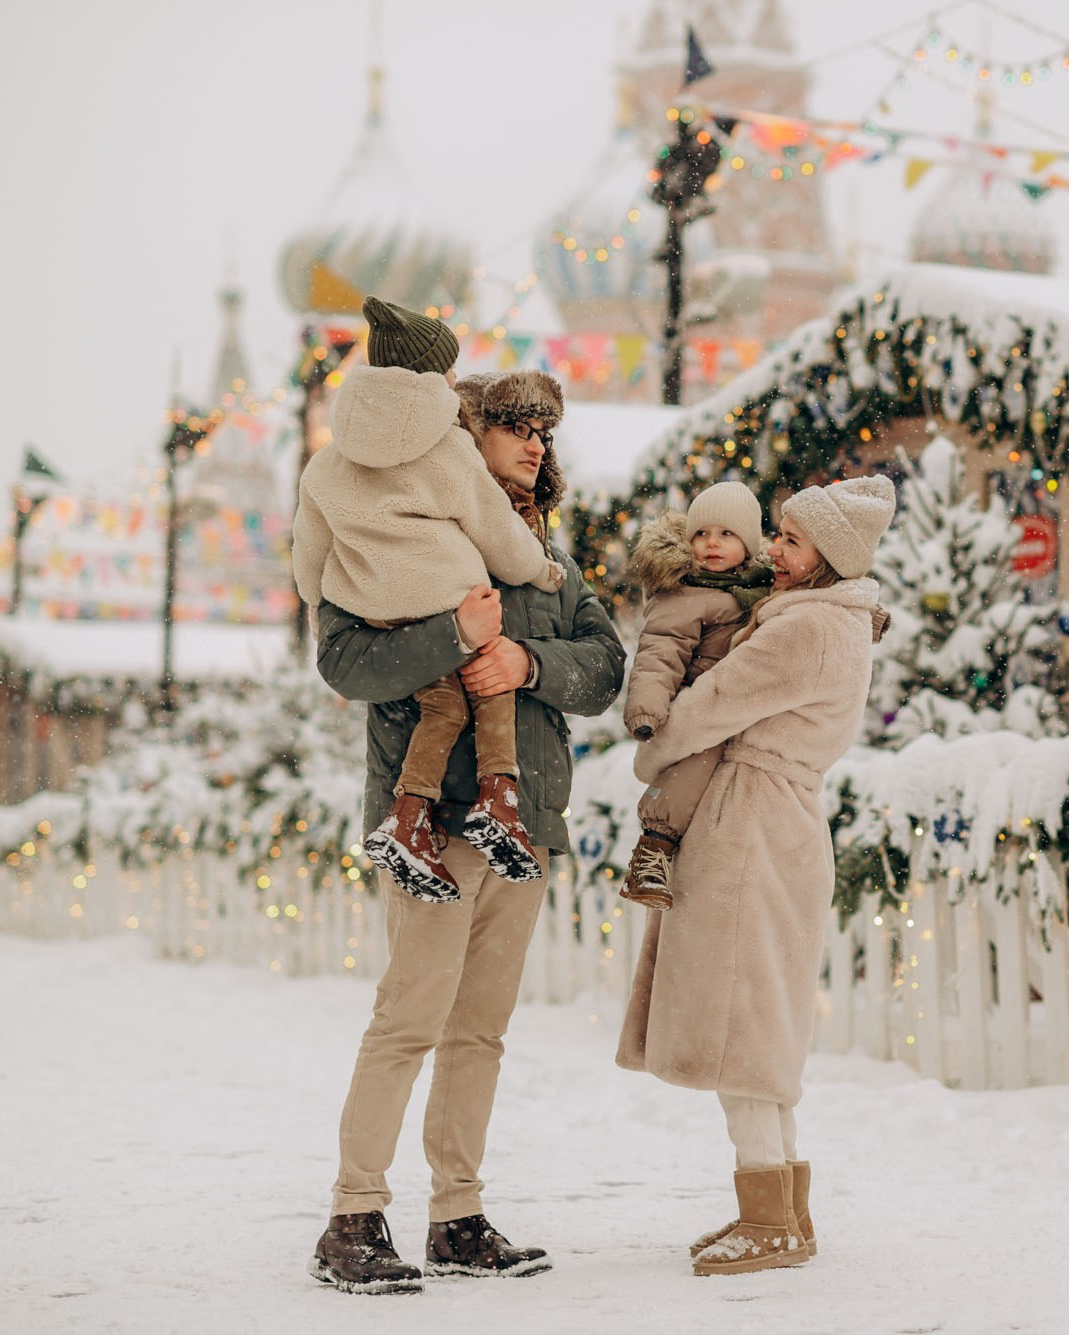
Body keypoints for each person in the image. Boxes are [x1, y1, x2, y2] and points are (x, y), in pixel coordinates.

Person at [307, 366, 625, 1296]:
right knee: (409, 1018)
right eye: (515, 426)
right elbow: (344, 659)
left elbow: (606, 667)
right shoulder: (398, 531)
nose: (535, 443)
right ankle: (353, 1214)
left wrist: (527, 660)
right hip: (431, 823)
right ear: (463, 435)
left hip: (522, 824)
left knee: (479, 1031)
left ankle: (457, 1215)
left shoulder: (544, 553)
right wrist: (453, 635)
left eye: (545, 431)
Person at [617, 474, 896, 1277]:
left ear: (826, 559)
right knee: (762, 1014)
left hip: (752, 820)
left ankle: (767, 1217)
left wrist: (654, 749)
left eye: (791, 541)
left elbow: (712, 702)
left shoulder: (804, 627)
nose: (773, 550)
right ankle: (783, 1207)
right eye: (775, 534)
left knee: (739, 1017)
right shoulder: (834, 621)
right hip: (781, 816)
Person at [292, 297, 565, 901]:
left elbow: (308, 557)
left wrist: (318, 605)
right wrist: (541, 571)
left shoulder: (327, 463)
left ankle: (409, 819)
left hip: (375, 609)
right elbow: (496, 527)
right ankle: (500, 800)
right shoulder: (447, 447)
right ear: (434, 377)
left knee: (442, 708)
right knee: (489, 690)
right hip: (448, 600)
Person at [619, 480, 774, 908]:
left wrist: (860, 616)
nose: (711, 544)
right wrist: (647, 709)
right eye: (701, 534)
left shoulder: (765, 586)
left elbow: (810, 607)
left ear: (749, 543)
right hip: (699, 703)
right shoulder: (683, 591)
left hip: (745, 706)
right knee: (694, 766)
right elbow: (658, 653)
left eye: (727, 534)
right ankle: (654, 848)